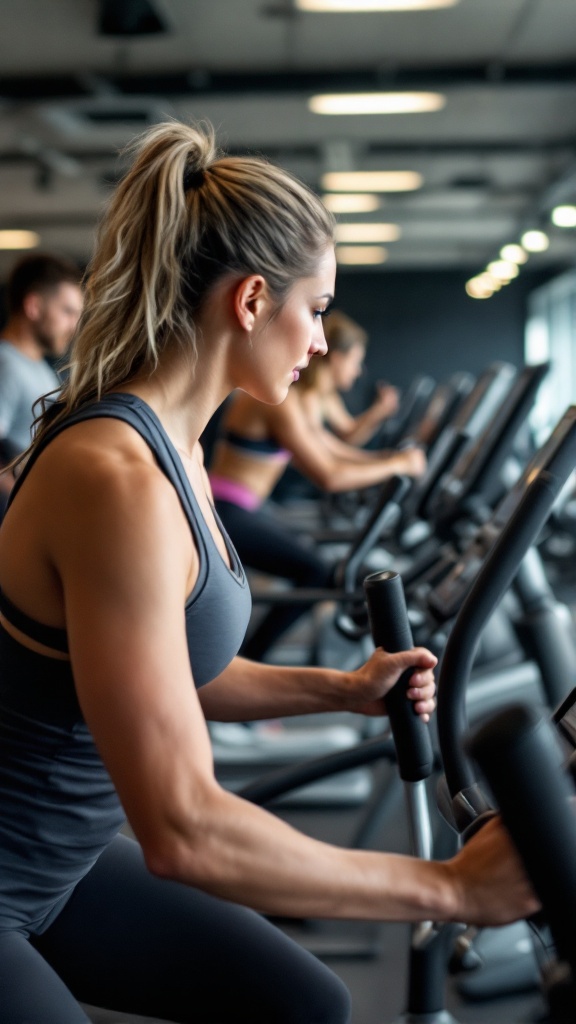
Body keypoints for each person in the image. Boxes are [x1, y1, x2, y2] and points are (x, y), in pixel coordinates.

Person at [0, 120, 537, 1024]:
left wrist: (340, 689)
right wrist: (451, 889)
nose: (323, 344)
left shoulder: (175, 446)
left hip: (62, 864)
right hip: (14, 875)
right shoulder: (119, 478)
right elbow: (181, 829)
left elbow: (167, 671)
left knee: (303, 1002)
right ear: (252, 301)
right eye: (317, 309)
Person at [209, 316, 425, 660]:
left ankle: (253, 662)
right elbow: (330, 476)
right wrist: (398, 465)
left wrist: (391, 459)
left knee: (314, 560)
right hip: (225, 511)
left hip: (238, 507)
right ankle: (251, 661)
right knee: (318, 571)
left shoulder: (292, 402)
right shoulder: (280, 402)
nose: (317, 350)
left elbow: (336, 450)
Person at [0, 252, 83, 517]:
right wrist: (29, 505)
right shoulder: (6, 365)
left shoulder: (42, 371)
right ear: (34, 306)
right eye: (67, 312)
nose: (74, 326)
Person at [297, 308, 400, 446]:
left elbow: (349, 435)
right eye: (355, 362)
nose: (358, 371)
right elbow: (327, 455)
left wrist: (379, 411)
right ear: (337, 359)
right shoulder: (307, 396)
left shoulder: (327, 395)